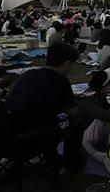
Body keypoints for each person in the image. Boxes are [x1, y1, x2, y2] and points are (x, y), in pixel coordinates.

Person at [5, 43, 86, 173]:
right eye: (72, 64)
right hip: (31, 138)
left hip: (5, 134)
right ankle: (71, 164)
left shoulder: (29, 74)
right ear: (66, 64)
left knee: (48, 117)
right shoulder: (60, 80)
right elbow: (72, 112)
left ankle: (52, 159)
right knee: (77, 122)